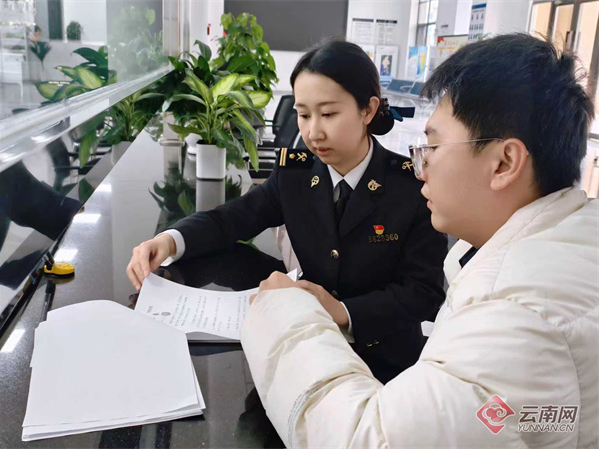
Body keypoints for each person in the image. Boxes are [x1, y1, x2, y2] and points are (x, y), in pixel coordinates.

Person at [241, 33, 598, 447]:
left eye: (434, 145)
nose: (421, 167)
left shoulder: (517, 316)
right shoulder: (566, 245)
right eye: (304, 114)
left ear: (504, 162)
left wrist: (285, 311)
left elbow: (365, 439)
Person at [126, 40, 448, 383]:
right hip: (305, 350)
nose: (313, 132)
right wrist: (169, 241)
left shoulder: (412, 186)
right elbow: (229, 220)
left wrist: (342, 311)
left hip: (385, 366)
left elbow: (424, 292)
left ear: (367, 110)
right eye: (304, 115)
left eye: (328, 114)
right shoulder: (294, 176)